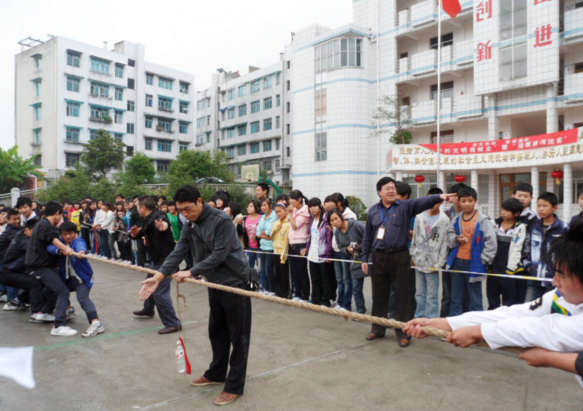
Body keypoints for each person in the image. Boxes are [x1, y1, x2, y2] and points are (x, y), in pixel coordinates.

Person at [405, 221, 583, 388]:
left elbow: (544, 329)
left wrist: (477, 332)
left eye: (562, 275)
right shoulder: (559, 296)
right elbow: (517, 314)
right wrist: (445, 323)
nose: (554, 281)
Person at [139, 185, 252, 406]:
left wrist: (190, 271)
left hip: (234, 284)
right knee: (216, 331)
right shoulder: (190, 224)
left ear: (200, 201)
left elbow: (220, 254)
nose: (185, 214)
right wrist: (160, 276)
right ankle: (217, 373)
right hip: (214, 283)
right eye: (181, 210)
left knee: (238, 337)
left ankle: (234, 385)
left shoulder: (222, 220)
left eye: (188, 209)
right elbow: (179, 250)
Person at [361, 177, 456, 347]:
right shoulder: (374, 210)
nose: (392, 191)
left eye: (393, 188)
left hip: (400, 255)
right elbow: (368, 236)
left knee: (403, 296)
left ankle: (404, 332)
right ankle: (377, 329)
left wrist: (439, 197)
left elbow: (422, 202)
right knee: (379, 295)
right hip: (379, 256)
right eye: (387, 188)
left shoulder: (404, 207)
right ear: (379, 192)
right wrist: (365, 258)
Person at [130, 196, 181, 334]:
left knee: (159, 291)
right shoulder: (145, 219)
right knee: (149, 283)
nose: (136, 209)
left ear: (143, 208)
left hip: (166, 261)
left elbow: (164, 223)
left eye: (137, 206)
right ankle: (148, 308)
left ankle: (173, 323)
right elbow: (141, 232)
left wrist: (164, 227)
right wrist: (134, 235)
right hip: (156, 258)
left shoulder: (159, 215)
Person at [25, 201, 76, 336]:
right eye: (62, 215)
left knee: (51, 290)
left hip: (41, 265)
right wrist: (65, 248)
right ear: (57, 213)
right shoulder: (45, 225)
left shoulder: (42, 224)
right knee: (62, 291)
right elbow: (52, 238)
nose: (62, 219)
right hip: (39, 267)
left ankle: (43, 313)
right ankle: (59, 325)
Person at [47, 222, 105, 338]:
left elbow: (81, 246)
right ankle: (68, 310)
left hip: (81, 279)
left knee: (82, 298)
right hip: (67, 279)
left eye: (70, 234)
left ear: (75, 233)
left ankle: (96, 323)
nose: (68, 237)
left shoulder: (79, 241)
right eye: (65, 234)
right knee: (53, 291)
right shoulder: (61, 242)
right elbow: (50, 247)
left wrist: (80, 252)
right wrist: (61, 250)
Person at [446, 187, 497, 316]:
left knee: (475, 299)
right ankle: (454, 328)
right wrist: (457, 239)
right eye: (463, 201)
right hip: (457, 261)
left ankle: (475, 330)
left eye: (470, 200)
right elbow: (449, 237)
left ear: (476, 201)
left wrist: (483, 260)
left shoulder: (483, 220)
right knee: (456, 297)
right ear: (458, 202)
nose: (467, 204)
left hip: (474, 262)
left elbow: (491, 242)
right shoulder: (456, 220)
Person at [410, 188, 450, 319]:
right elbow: (415, 238)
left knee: (432, 295)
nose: (433, 203)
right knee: (419, 293)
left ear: (441, 202)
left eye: (437, 200)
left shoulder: (444, 220)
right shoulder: (419, 217)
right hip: (418, 260)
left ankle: (432, 319)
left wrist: (439, 263)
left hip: (433, 263)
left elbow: (444, 243)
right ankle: (419, 317)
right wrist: (412, 255)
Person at [524, 192, 569, 302]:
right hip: (534, 279)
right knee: (529, 310)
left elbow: (568, 253)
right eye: (539, 206)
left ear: (555, 208)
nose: (541, 209)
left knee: (553, 312)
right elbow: (527, 247)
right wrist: (528, 264)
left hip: (555, 281)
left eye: (545, 206)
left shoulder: (564, 228)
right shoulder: (533, 226)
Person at [487, 198, 527, 309]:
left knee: (509, 303)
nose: (503, 212)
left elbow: (517, 249)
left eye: (507, 210)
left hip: (508, 270)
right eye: (503, 209)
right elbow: (488, 245)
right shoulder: (493, 224)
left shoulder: (520, 227)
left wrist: (511, 269)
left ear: (517, 213)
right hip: (493, 269)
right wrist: (489, 265)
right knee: (492, 301)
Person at [0, 219, 44, 313]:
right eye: (35, 232)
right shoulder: (22, 240)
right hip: (8, 273)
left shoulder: (26, 237)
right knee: (35, 283)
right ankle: (37, 313)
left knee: (41, 280)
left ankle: (18, 301)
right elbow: (36, 249)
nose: (37, 234)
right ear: (27, 230)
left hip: (16, 271)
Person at [328, 209, 367, 314]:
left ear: (341, 216)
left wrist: (360, 247)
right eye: (332, 221)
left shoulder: (356, 225)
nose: (335, 222)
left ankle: (384, 314)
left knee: (377, 288)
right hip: (354, 259)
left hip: (368, 258)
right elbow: (341, 248)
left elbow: (370, 237)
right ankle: (360, 311)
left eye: (336, 218)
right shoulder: (337, 232)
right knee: (356, 288)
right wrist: (347, 250)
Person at [302, 198, 333, 306]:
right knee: (315, 278)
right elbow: (311, 237)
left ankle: (325, 300)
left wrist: (328, 254)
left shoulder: (326, 218)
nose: (312, 208)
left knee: (325, 279)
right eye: (310, 207)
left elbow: (329, 238)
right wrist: (307, 248)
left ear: (320, 206)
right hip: (312, 254)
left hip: (323, 254)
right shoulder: (312, 219)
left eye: (314, 206)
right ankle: (315, 298)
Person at [287, 190, 311, 302]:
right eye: (289, 199)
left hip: (301, 242)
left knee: (302, 270)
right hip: (292, 242)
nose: (290, 201)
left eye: (292, 198)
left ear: (299, 199)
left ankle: (305, 295)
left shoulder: (305, 210)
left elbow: (295, 225)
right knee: (294, 270)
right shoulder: (295, 210)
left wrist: (291, 213)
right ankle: (297, 293)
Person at [256, 198, 278, 295]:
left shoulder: (274, 216)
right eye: (262, 205)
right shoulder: (262, 216)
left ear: (270, 205)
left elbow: (270, 231)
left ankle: (272, 289)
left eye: (265, 205)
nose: (263, 207)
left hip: (271, 247)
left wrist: (263, 233)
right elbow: (257, 231)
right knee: (262, 269)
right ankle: (265, 288)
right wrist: (262, 234)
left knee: (269, 269)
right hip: (262, 246)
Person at [271, 203, 291, 298]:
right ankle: (278, 290)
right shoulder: (276, 223)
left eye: (280, 211)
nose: (278, 214)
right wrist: (276, 228)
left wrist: (285, 253)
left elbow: (287, 240)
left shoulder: (288, 223)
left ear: (285, 211)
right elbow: (272, 236)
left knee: (284, 273)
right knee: (277, 272)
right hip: (276, 251)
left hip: (284, 251)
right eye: (276, 212)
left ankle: (285, 292)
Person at [244, 201, 261, 269]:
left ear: (257, 208)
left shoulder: (261, 217)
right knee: (249, 267)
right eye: (248, 206)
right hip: (250, 246)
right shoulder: (246, 218)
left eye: (251, 206)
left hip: (259, 246)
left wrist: (256, 237)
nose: (248, 208)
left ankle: (260, 279)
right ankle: (250, 279)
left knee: (260, 267)